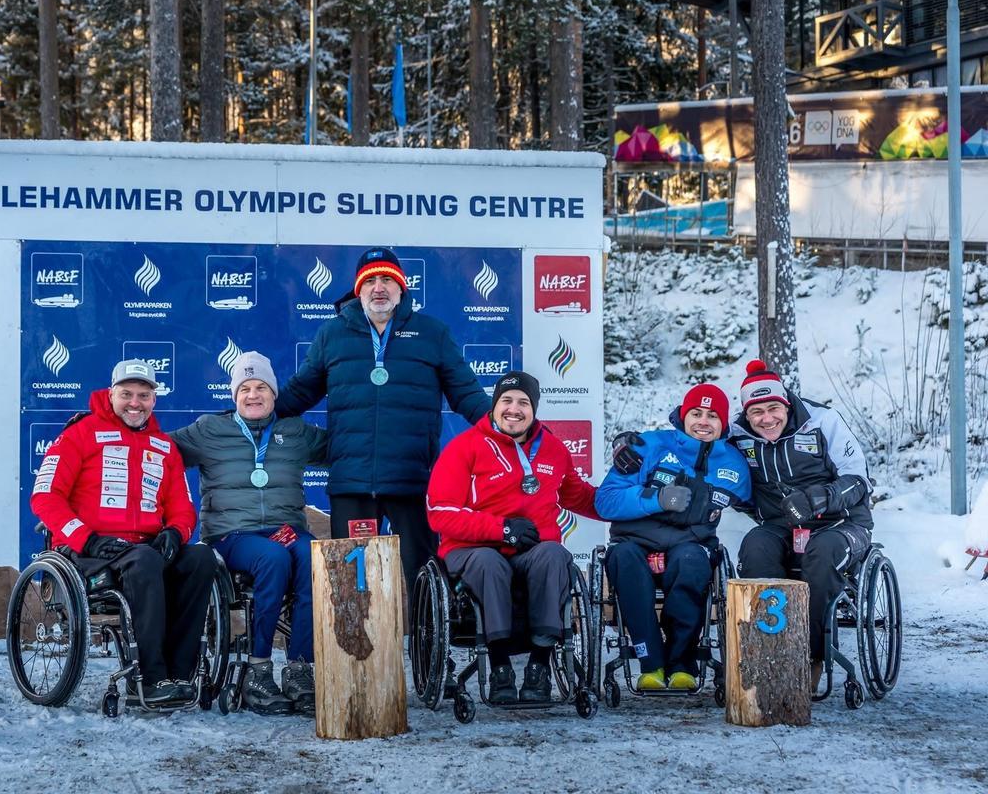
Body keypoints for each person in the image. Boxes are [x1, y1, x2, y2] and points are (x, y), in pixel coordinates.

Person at [276, 247, 491, 594]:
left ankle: (422, 649)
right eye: (370, 280)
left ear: (401, 288)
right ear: (358, 290)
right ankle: (357, 650)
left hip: (413, 479)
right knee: (355, 588)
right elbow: (301, 391)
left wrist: (505, 424)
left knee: (421, 579)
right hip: (353, 482)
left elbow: (466, 393)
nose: (379, 287)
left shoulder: (431, 333)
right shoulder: (332, 334)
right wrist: (256, 414)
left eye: (387, 279)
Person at [31, 359, 219, 706]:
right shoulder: (79, 434)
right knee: (145, 561)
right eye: (127, 394)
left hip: (142, 550)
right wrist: (86, 538)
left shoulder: (164, 447)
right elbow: (45, 497)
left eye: (144, 395)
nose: (135, 403)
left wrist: (176, 533)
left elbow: (181, 506)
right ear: (111, 394)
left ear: (154, 399)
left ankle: (178, 676)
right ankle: (146, 680)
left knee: (201, 558)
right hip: (87, 552)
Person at [425, 371, 600, 704]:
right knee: (490, 562)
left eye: (523, 402)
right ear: (494, 406)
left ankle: (540, 667)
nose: (514, 409)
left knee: (554, 555)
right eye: (506, 401)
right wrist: (501, 529)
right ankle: (500, 667)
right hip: (475, 549)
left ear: (534, 409)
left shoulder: (553, 448)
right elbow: (441, 513)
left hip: (532, 551)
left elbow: (582, 497)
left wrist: (641, 500)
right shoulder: (464, 447)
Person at [170, 351, 327, 716]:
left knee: (313, 555)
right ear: (234, 395)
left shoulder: (295, 431)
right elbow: (155, 449)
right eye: (245, 388)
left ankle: (300, 669)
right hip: (231, 534)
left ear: (274, 394)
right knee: (271, 557)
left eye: (261, 388)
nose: (253, 395)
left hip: (286, 528)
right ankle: (258, 670)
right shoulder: (210, 430)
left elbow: (346, 449)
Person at [594, 384, 751, 691]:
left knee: (692, 560)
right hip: (634, 543)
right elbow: (605, 500)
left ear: (724, 424)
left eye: (712, 416)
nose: (703, 422)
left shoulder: (735, 464)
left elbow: (759, 500)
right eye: (695, 413)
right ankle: (650, 663)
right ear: (682, 416)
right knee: (624, 560)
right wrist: (656, 498)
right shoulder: (648, 446)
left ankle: (682, 664)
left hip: (690, 545)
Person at [728, 359, 874, 688]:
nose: (766, 419)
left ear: (786, 402)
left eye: (773, 408)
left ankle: (812, 655)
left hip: (840, 525)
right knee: (755, 546)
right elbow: (696, 445)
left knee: (822, 553)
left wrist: (820, 498)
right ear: (746, 414)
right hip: (780, 526)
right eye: (756, 412)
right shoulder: (736, 433)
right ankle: (772, 652)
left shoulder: (823, 421)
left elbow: (859, 480)